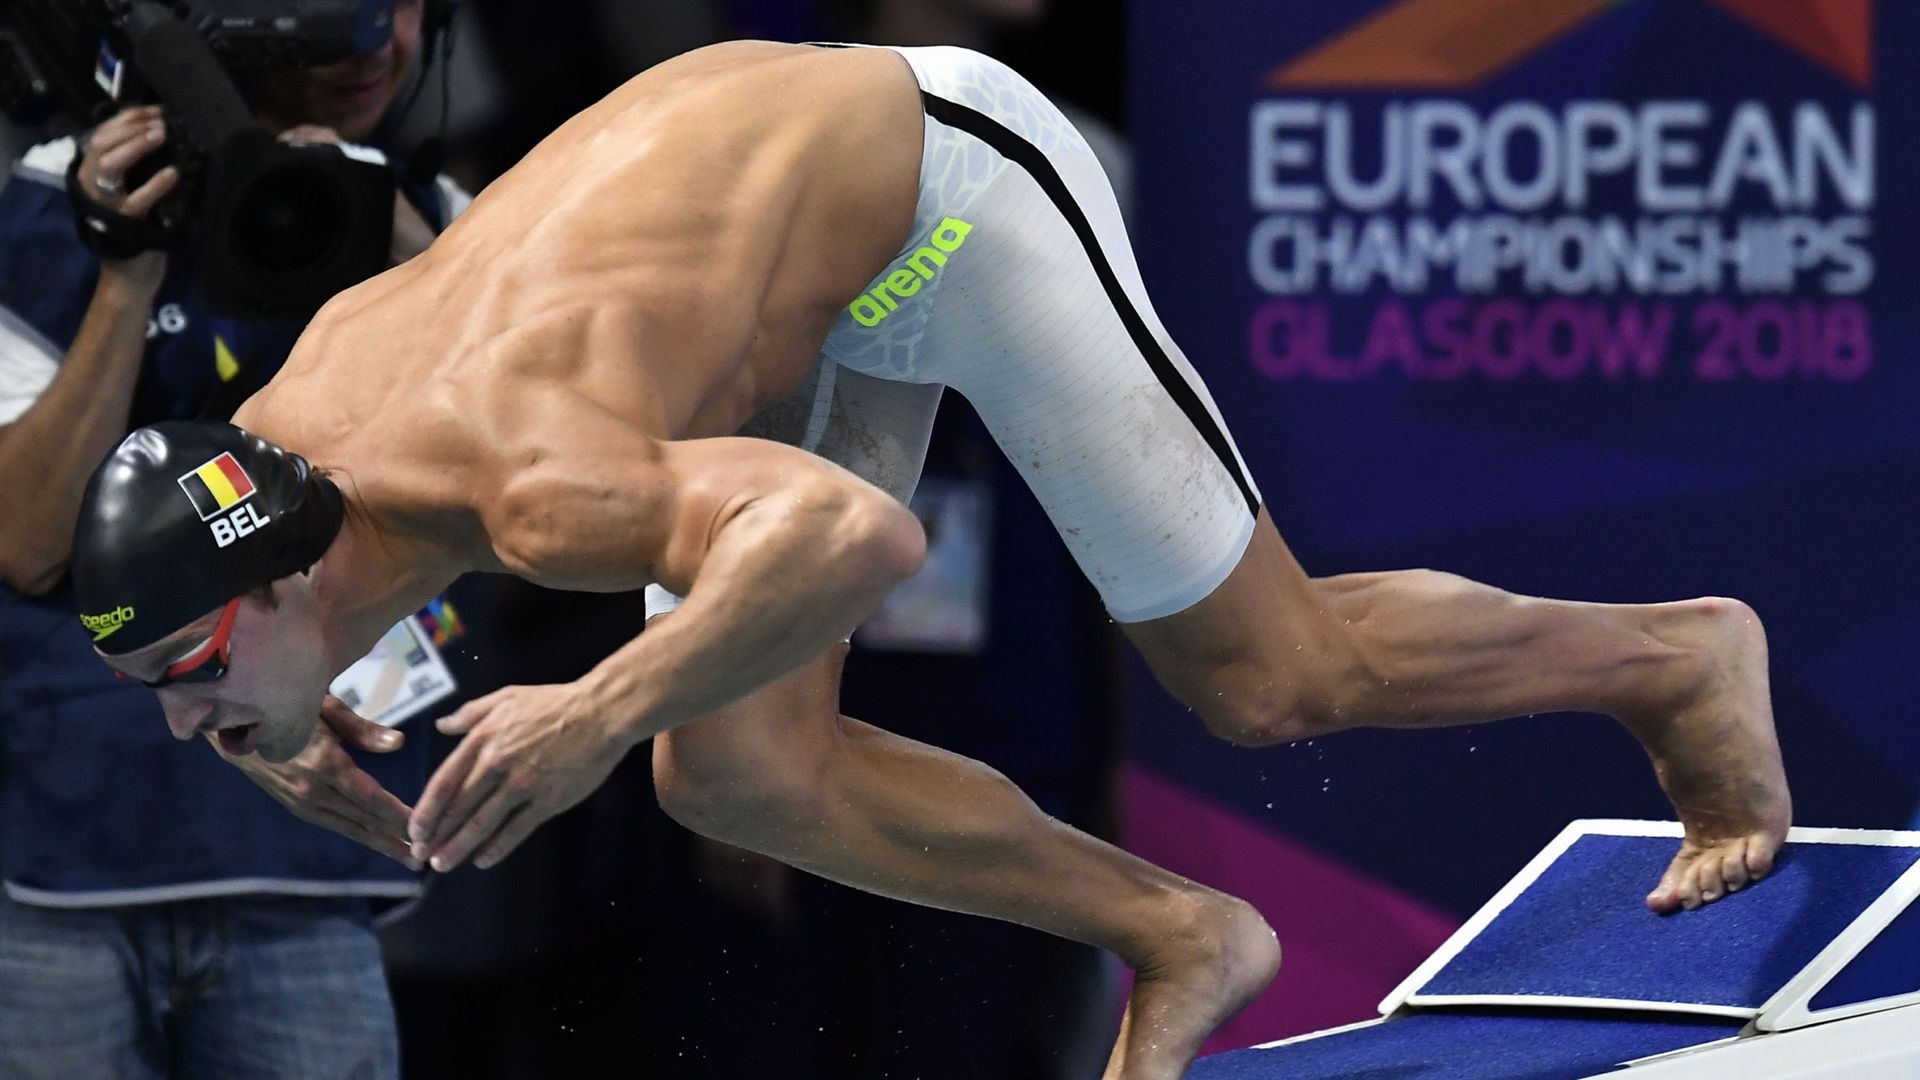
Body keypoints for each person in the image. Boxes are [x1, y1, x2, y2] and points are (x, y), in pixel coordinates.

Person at [70, 41, 1791, 1080]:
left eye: (195, 674)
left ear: (282, 588)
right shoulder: (284, 440)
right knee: (741, 774)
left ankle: (1678, 659)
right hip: (756, 274)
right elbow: (328, 578)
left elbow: (853, 537)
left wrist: (594, 706)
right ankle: (1185, 935)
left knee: (1270, 678)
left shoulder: (535, 486)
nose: (180, 719)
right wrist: (300, 707)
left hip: (935, 190)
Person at [0, 3, 469, 1076]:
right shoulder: (60, 196)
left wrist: (398, 240)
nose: (369, 44)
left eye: (396, 8)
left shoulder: (433, 213)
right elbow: (26, 542)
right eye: (333, 6)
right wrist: (128, 269)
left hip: (306, 867)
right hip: (67, 850)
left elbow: (527, 461)